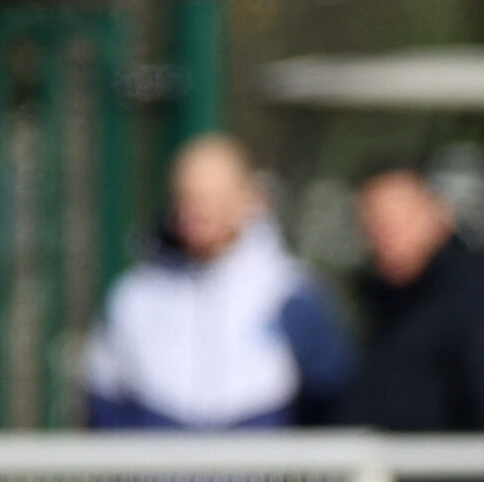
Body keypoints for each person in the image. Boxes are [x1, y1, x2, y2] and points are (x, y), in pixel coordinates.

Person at [84, 132, 352, 429]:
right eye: (186, 197)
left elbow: (330, 395)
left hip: (261, 472)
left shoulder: (291, 292)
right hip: (160, 472)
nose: (196, 211)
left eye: (212, 198)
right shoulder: (134, 294)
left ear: (248, 198)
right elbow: (104, 399)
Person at [336, 162, 484, 482]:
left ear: (437, 213)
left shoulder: (475, 297)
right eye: (372, 223)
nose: (383, 234)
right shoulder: (382, 300)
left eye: (396, 220)